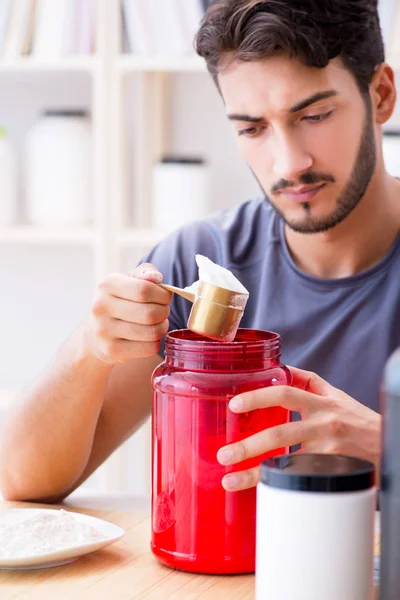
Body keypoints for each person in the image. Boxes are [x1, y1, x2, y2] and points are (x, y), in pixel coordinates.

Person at [1, 0, 399, 502]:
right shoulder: (203, 260)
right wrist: (88, 351)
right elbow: (23, 481)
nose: (289, 162)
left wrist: (389, 448)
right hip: (226, 576)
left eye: (314, 114)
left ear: (381, 94)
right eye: (251, 128)